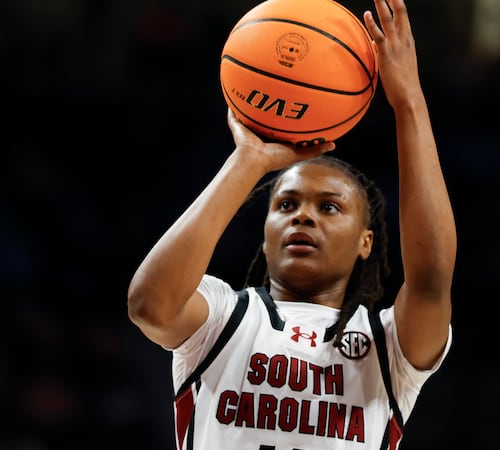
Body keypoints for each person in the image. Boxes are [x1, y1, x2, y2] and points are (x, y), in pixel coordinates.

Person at [127, 0, 456, 448]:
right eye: (285, 204)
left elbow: (432, 278)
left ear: (366, 242)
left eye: (330, 207)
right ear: (264, 237)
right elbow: (148, 304)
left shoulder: (388, 346)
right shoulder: (224, 317)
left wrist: (409, 102)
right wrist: (249, 161)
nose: (303, 214)